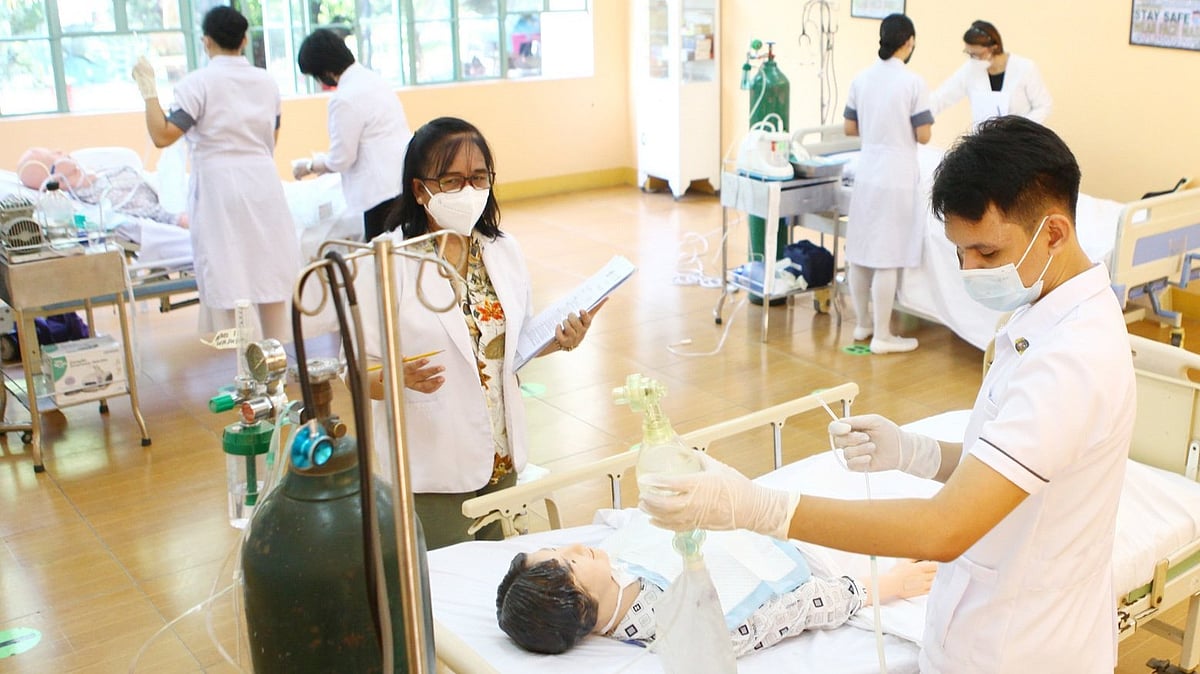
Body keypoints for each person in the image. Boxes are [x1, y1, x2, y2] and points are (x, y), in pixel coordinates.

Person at [638, 116, 1136, 673]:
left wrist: (759, 508)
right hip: (985, 631)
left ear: (1054, 233)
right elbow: (1008, 467)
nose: (970, 270)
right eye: (960, 253)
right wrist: (915, 452)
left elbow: (942, 530)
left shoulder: (1072, 360)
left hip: (1024, 652)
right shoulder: (1044, 314)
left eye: (987, 252)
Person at [353, 117, 605, 550]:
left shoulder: (501, 249)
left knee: (498, 570)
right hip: (433, 467)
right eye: (451, 181)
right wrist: (396, 377)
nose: (468, 191)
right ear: (420, 190)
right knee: (444, 578)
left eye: (479, 178)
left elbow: (508, 344)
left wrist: (561, 339)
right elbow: (356, 375)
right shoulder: (386, 263)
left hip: (500, 454)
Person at [131, 6, 300, 342]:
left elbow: (162, 135)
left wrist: (149, 92)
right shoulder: (267, 82)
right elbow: (273, 136)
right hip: (262, 182)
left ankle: (246, 364)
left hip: (219, 186)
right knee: (269, 273)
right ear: (244, 39)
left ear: (206, 42)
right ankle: (278, 359)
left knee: (231, 277)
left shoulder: (198, 83)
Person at [496, 538, 936, 656]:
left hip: (763, 526)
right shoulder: (684, 627)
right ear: (579, 606)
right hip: (813, 561)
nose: (575, 546)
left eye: (558, 548)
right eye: (570, 563)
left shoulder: (617, 569)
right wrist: (886, 586)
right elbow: (794, 610)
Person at [842, 14, 934, 354]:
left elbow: (849, 128)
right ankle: (882, 335)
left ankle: (862, 325)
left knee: (861, 252)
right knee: (887, 257)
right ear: (908, 42)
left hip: (867, 171)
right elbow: (924, 135)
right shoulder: (913, 82)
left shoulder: (861, 78)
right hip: (897, 175)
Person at [293, 28, 413, 241]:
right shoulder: (374, 80)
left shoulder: (344, 99)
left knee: (382, 255)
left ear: (325, 71)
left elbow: (341, 159)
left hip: (379, 194)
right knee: (402, 251)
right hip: (402, 180)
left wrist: (310, 166)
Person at [16, 147, 187, 227]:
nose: (60, 151)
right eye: (53, 155)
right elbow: (165, 215)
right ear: (54, 178)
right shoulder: (103, 196)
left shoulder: (96, 179)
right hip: (187, 201)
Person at [930, 20, 1052, 128]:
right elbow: (942, 97)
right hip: (984, 139)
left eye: (977, 54)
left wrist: (1019, 129)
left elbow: (1043, 106)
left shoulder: (1025, 68)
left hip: (1019, 139)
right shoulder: (971, 69)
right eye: (969, 53)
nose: (973, 59)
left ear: (994, 47)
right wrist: (921, 115)